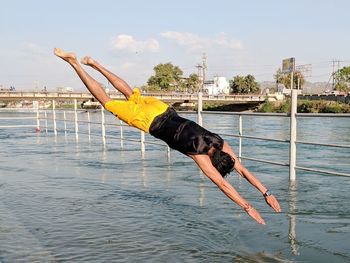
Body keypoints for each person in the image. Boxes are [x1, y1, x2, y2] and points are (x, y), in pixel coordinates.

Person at [54, 48, 281, 225]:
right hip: (149, 122)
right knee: (106, 101)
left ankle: (94, 63)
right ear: (213, 161)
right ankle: (75, 63)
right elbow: (222, 185)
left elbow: (243, 170)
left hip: (162, 108)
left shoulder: (220, 142)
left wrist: (266, 193)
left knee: (130, 93)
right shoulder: (200, 156)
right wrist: (247, 207)